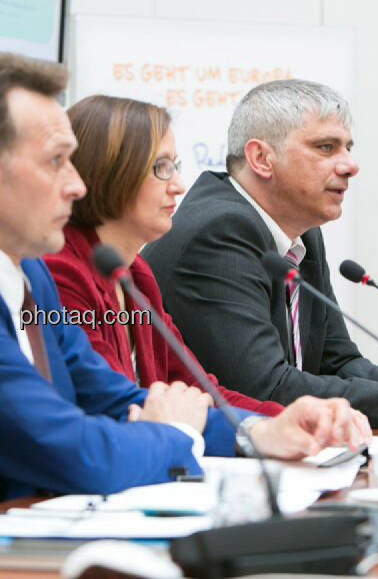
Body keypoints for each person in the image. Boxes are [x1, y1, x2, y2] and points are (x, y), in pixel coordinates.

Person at [0, 54, 370, 503]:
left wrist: (259, 431)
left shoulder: (28, 270)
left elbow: (109, 396)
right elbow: (62, 444)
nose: (77, 186)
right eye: (57, 162)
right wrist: (175, 435)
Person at [142, 79, 378, 428]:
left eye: (347, 147)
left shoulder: (302, 233)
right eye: (326, 148)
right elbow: (264, 387)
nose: (350, 165)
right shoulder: (220, 231)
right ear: (261, 158)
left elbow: (337, 360)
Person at [44, 95, 286, 417]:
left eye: (176, 166)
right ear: (108, 171)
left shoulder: (137, 277)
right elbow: (113, 402)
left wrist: (288, 420)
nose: (179, 185)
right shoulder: (60, 271)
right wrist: (263, 429)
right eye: (161, 168)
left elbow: (200, 389)